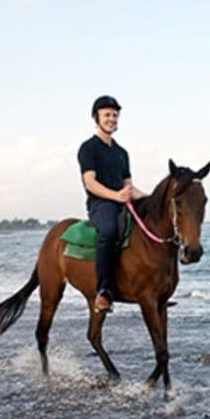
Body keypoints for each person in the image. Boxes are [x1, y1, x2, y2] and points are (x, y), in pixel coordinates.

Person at [77, 96, 146, 314]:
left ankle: (152, 287)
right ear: (96, 118)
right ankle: (104, 291)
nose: (112, 119)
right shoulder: (88, 148)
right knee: (109, 230)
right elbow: (90, 182)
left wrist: (152, 199)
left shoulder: (122, 153)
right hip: (101, 204)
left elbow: (129, 187)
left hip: (121, 201)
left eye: (115, 115)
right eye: (107, 114)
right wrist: (116, 196)